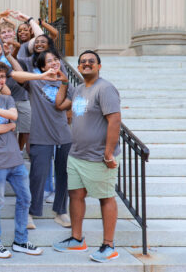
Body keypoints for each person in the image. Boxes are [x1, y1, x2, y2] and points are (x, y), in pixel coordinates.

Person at [0, 61, 55, 258]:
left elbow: (14, 116)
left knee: (25, 198)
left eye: (2, 77)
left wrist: (9, 123)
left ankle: (21, 240)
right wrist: (9, 125)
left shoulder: (7, 98)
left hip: (15, 159)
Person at [53, 50, 121, 263]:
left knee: (105, 197)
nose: (86, 64)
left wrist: (108, 153)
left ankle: (109, 245)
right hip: (76, 154)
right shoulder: (80, 89)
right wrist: (64, 83)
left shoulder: (105, 88)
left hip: (98, 157)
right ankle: (77, 239)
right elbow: (59, 105)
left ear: (99, 66)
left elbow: (114, 121)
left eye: (91, 61)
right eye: (82, 62)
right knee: (75, 196)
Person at [11, 49, 73, 229]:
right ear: (43, 66)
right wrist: (41, 77)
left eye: (56, 59)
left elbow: (62, 107)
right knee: (37, 175)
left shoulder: (68, 84)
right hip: (40, 135)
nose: (54, 63)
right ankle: (30, 212)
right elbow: (16, 75)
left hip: (63, 135)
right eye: (49, 61)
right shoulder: (35, 84)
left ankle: (61, 211)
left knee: (64, 175)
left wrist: (63, 83)